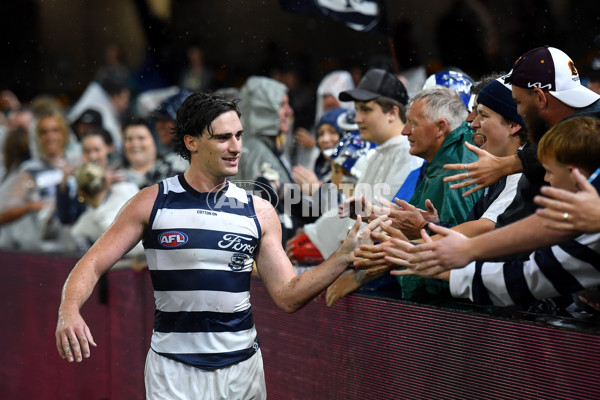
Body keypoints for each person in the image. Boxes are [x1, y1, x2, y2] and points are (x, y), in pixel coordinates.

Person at [55, 92, 381, 399]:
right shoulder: (151, 202)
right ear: (191, 142)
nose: (236, 146)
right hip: (173, 371)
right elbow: (93, 262)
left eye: (239, 136)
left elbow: (287, 296)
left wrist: (343, 256)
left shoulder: (259, 210)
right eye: (223, 138)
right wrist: (69, 309)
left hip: (243, 371)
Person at [396, 46, 600, 270]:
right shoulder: (516, 163)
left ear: (540, 98)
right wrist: (433, 230)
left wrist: (417, 243)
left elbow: (507, 235)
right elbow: (516, 226)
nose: (471, 122)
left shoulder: (522, 165)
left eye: (520, 104)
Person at [385, 117, 600, 308]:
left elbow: (525, 278)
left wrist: (431, 261)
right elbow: (545, 228)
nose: (546, 180)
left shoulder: (590, 234)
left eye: (550, 172)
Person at [297, 68, 421, 260]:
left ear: (392, 113)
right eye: (357, 110)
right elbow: (351, 211)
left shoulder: (409, 155)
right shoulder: (379, 153)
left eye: (366, 110)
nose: (357, 119)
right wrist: (313, 234)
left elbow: (385, 223)